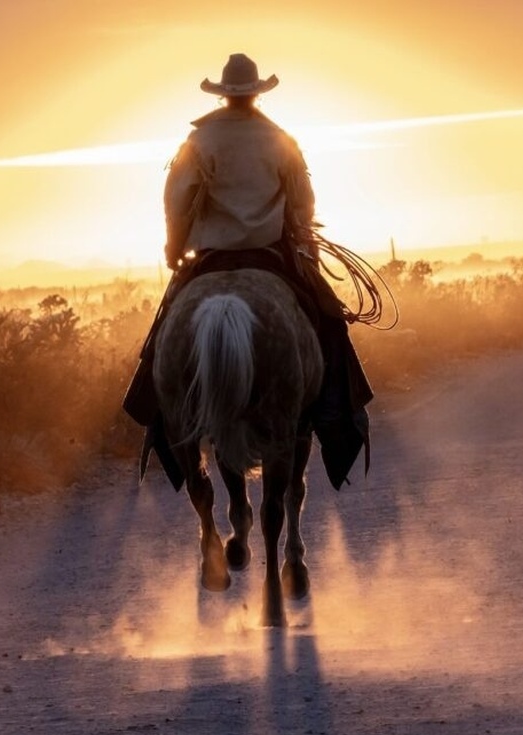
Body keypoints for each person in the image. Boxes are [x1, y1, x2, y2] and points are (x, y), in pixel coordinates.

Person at [123, 53, 373, 490]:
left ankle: (160, 418)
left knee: (163, 335)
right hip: (272, 253)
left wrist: (173, 249)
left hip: (209, 256)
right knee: (331, 327)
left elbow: (176, 204)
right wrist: (295, 230)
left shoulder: (197, 143)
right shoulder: (280, 139)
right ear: (257, 92)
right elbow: (304, 204)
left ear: (222, 95)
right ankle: (338, 417)